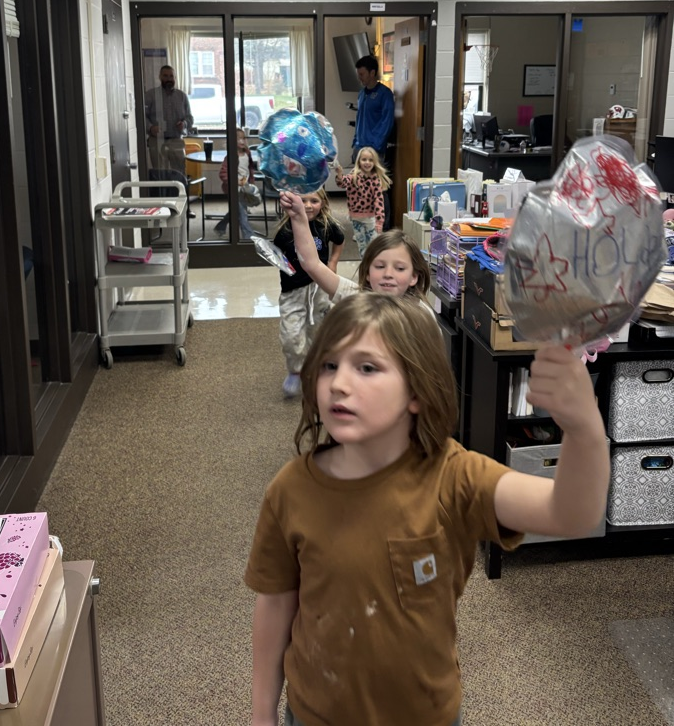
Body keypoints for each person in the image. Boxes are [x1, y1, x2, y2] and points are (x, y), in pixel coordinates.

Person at [245, 292, 610, 726]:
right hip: (315, 713)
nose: (339, 383)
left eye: (366, 367)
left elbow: (572, 514)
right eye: (329, 365)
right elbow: (275, 607)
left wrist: (584, 428)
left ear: (417, 391)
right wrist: (262, 713)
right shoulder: (291, 490)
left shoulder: (454, 478)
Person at [278, 190, 430, 309]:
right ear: (368, 273)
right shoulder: (357, 297)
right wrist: (298, 216)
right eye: (379, 266)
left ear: (414, 277)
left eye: (400, 268)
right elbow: (312, 264)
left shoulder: (421, 313)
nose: (388, 274)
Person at [273, 189, 345, 399]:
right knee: (291, 335)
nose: (308, 205)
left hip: (320, 289)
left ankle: (319, 369)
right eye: (303, 200)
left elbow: (339, 241)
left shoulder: (326, 225)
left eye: (314, 200)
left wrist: (332, 262)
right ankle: (296, 370)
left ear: (323, 202)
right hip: (292, 291)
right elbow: (277, 253)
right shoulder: (286, 230)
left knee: (319, 330)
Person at [352, 54, 395, 229]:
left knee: (379, 188)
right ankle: (366, 224)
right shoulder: (362, 94)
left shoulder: (384, 94)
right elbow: (359, 119)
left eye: (362, 74)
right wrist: (355, 143)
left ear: (372, 73)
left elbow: (387, 122)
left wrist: (375, 146)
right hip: (359, 147)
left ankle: (383, 226)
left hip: (375, 150)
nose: (360, 78)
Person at [335, 146, 390, 258]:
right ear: (359, 161)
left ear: (374, 162)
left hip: (370, 217)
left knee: (373, 244)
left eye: (370, 160)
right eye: (364, 159)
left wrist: (380, 221)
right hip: (356, 217)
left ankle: (372, 264)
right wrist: (340, 174)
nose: (367, 163)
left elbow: (379, 201)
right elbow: (343, 183)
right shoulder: (354, 174)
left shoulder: (375, 179)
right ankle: (365, 265)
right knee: (361, 245)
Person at [144, 65, 194, 177]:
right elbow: (142, 117)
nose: (168, 79)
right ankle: (163, 195)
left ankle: (180, 194)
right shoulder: (150, 95)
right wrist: (151, 128)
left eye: (171, 76)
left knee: (179, 173)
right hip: (157, 141)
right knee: (160, 174)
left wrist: (184, 124)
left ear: (175, 78)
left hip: (176, 140)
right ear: (160, 77)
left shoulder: (182, 96)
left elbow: (190, 118)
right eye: (165, 76)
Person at [215, 127, 259, 240]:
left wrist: (251, 182)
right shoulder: (230, 156)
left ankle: (221, 226)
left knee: (236, 211)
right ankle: (249, 236)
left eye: (243, 138)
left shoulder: (247, 154)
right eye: (238, 139)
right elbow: (223, 173)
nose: (241, 141)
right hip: (234, 189)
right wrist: (234, 181)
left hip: (245, 188)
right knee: (242, 213)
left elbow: (249, 169)